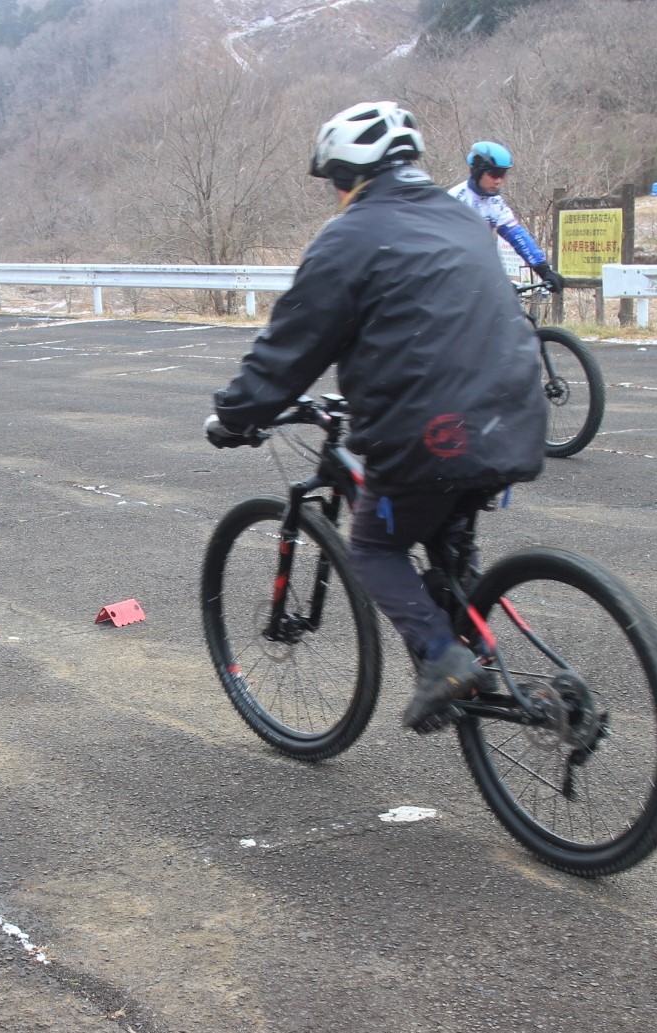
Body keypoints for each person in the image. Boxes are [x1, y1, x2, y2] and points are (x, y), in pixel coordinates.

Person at [206, 102, 548, 730]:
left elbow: (292, 346)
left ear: (348, 176)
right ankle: (472, 651)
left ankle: (444, 660)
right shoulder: (462, 218)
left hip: (433, 430)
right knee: (447, 537)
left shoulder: (351, 237)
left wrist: (234, 415)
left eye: (335, 181)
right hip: (516, 415)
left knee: (374, 544)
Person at [447, 141, 565, 292]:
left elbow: (516, 235)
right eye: (494, 174)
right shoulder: (455, 199)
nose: (498, 181)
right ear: (476, 171)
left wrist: (544, 270)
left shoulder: (494, 202)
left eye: (502, 174)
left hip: (481, 276)